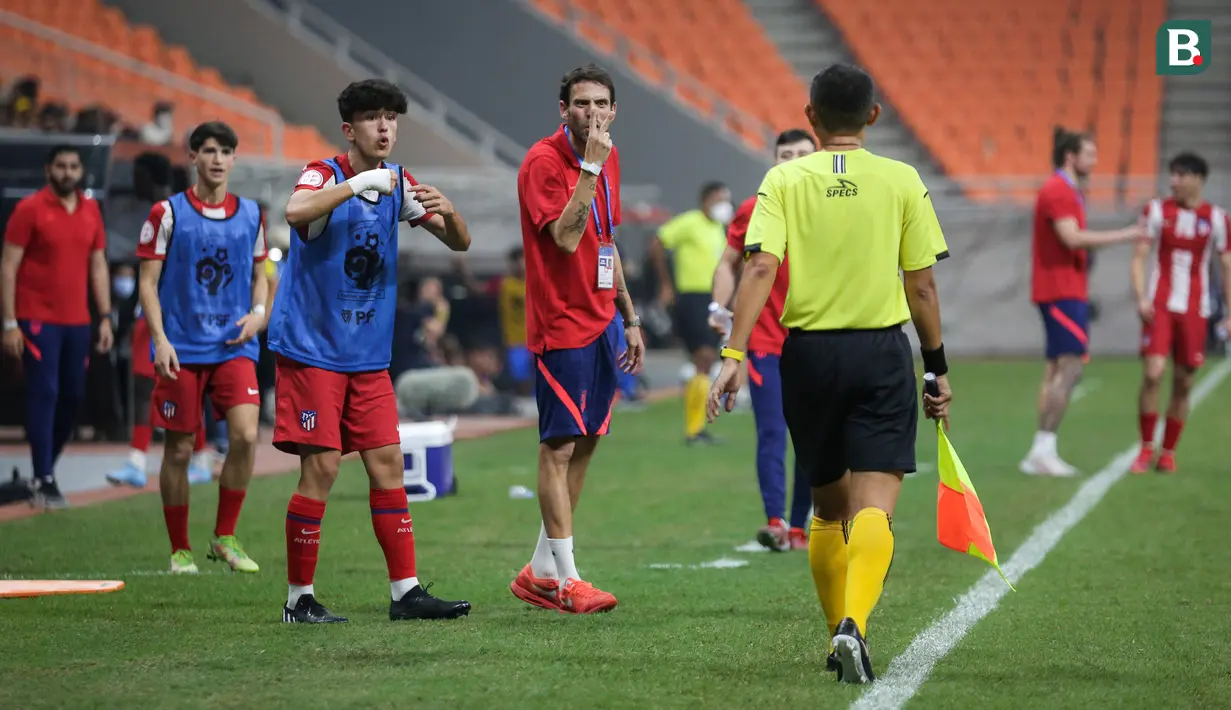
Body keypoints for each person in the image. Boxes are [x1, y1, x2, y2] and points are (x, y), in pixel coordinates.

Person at [707, 64, 952, 684]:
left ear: (810, 118)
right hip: (880, 353)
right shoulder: (902, 179)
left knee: (825, 509)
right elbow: (920, 285)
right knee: (875, 507)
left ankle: (836, 633)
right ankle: (855, 626)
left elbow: (759, 268)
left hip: (808, 356)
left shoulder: (783, 178)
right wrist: (936, 368)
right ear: (874, 115)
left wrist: (732, 357)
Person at [269, 78, 473, 624]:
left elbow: (459, 243)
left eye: (391, 118)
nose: (385, 128)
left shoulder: (399, 183)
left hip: (366, 356)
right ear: (349, 128)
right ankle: (298, 601)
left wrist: (449, 213)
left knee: (387, 464)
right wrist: (358, 185)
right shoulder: (327, 174)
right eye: (373, 118)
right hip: (312, 351)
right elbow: (295, 211)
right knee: (323, 470)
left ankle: (405, 594)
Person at [509, 64, 645, 614]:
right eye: (582, 104)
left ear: (614, 111)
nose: (592, 114)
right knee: (558, 445)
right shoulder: (544, 162)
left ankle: (541, 569)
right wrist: (588, 166)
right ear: (562, 109)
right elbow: (566, 240)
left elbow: (604, 241)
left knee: (586, 441)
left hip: (601, 319)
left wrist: (629, 317)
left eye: (601, 104)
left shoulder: (609, 158)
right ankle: (567, 577)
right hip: (560, 323)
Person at [134, 121, 267, 574]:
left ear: (233, 159)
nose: (217, 159)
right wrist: (159, 339)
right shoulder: (166, 213)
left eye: (226, 151)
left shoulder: (251, 213)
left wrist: (260, 310)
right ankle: (180, 549)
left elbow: (259, 273)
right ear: (192, 157)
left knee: (247, 435)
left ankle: (225, 537)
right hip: (183, 348)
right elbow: (147, 283)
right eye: (208, 150)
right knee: (179, 448)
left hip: (233, 345)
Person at [710, 128, 816, 552]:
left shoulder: (829, 208)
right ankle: (776, 521)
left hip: (815, 342)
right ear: (773, 161)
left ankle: (800, 527)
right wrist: (717, 308)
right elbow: (728, 263)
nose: (791, 161)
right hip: (766, 342)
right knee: (772, 431)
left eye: (801, 154)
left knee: (811, 437)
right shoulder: (754, 209)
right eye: (784, 154)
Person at [1020, 128, 1144, 477]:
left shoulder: (1067, 190)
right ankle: (1043, 447)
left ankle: (1040, 451)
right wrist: (1127, 234)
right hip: (1061, 290)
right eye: (1089, 154)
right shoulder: (1058, 189)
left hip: (1063, 288)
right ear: (1070, 156)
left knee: (1058, 369)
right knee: (1071, 367)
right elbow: (1071, 238)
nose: (1095, 161)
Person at [1, 144, 114, 509]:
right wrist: (8, 323)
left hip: (78, 321)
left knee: (73, 398)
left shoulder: (91, 210)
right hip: (37, 319)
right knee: (45, 393)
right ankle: (45, 478)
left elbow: (98, 265)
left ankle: (42, 473)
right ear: (49, 169)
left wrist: (106, 316)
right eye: (61, 166)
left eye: (73, 166)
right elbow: (8, 267)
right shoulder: (29, 209)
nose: (67, 172)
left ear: (81, 171)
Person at [1130, 152, 1231, 474]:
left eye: (1181, 175)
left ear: (1198, 179)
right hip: (1160, 306)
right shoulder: (1157, 211)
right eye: (1172, 174)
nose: (1174, 181)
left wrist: (1229, 310)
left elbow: (1226, 266)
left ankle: (1168, 451)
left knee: (1184, 382)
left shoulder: (1217, 218)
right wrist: (1141, 297)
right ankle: (1146, 448)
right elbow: (1140, 256)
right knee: (1153, 373)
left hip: (1195, 310)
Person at [649, 181, 733, 445]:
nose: (724, 205)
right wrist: (665, 283)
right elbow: (657, 243)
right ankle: (693, 429)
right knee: (704, 356)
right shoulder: (689, 222)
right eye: (720, 199)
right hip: (693, 297)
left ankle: (698, 428)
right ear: (705, 200)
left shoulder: (719, 229)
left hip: (713, 298)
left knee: (706, 362)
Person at [105, 299, 214, 489]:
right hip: (150, 311)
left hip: (183, 313)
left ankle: (200, 459)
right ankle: (136, 461)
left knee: (188, 392)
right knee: (144, 388)